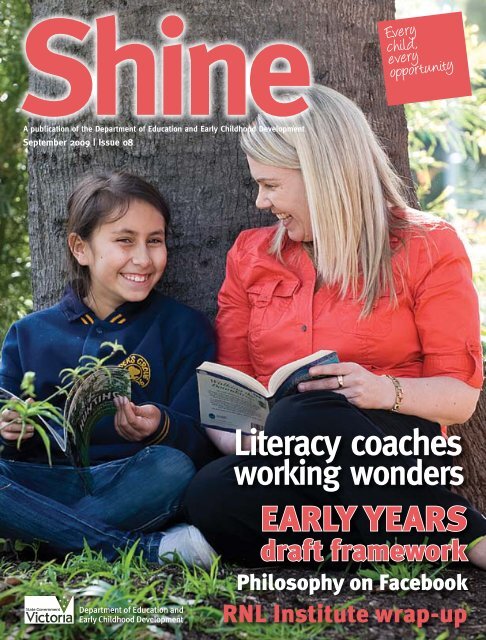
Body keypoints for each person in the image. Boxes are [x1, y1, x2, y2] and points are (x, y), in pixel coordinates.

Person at [185, 85, 486, 568]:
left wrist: (381, 389)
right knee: (209, 493)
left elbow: (461, 397)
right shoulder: (250, 256)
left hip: (393, 450)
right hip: (284, 457)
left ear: (323, 177)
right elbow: (230, 396)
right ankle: (405, 537)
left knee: (306, 415)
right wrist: (250, 445)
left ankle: (465, 535)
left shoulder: (428, 246)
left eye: (272, 184)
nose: (261, 202)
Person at [0, 171, 218, 568]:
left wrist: (160, 425)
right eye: (124, 240)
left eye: (155, 240)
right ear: (80, 248)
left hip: (134, 483)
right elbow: (5, 418)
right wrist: (10, 428)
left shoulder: (183, 328)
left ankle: (40, 536)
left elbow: (202, 444)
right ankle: (146, 549)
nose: (144, 258)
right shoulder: (29, 334)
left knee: (173, 468)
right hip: (45, 484)